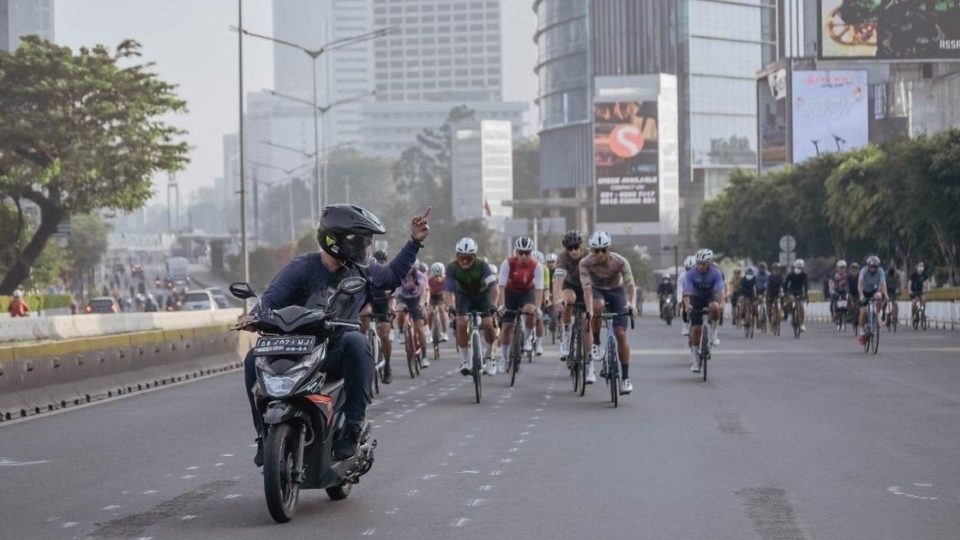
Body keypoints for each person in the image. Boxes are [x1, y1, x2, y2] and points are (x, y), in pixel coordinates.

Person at [238, 204, 431, 465]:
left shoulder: (363, 269)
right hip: (295, 350)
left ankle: (352, 428)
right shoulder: (301, 267)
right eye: (361, 241)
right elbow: (269, 301)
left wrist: (414, 242)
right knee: (253, 359)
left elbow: (391, 277)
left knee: (357, 341)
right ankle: (263, 436)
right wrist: (252, 316)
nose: (366, 248)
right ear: (338, 240)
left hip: (334, 351)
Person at [580, 231, 636, 394]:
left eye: (603, 250)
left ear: (608, 249)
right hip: (597, 290)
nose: (600, 254)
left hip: (616, 291)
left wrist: (632, 303)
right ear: (591, 251)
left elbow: (630, 284)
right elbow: (587, 289)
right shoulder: (585, 263)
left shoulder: (620, 262)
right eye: (595, 250)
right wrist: (589, 310)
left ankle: (625, 378)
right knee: (597, 306)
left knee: (620, 334)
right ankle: (596, 342)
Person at [444, 237, 499, 376]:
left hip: (482, 296)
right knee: (462, 322)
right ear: (457, 256)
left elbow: (494, 288)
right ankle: (465, 360)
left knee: (487, 323)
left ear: (474, 257)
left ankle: (490, 356)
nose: (465, 261)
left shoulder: (482, 265)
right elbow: (448, 292)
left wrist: (493, 305)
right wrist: (450, 307)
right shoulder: (451, 268)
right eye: (462, 258)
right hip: (464, 297)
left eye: (469, 258)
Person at [496, 237, 545, 373]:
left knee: (530, 311)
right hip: (510, 292)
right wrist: (502, 305)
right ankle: (504, 358)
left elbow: (539, 288)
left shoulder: (537, 266)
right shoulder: (508, 263)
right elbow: (501, 285)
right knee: (507, 328)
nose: (523, 256)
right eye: (520, 252)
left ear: (531, 253)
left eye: (527, 253)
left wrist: (539, 308)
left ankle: (528, 338)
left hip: (527, 292)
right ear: (516, 252)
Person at [682, 249, 724, 372]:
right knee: (695, 329)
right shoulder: (690, 274)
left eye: (703, 264)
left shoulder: (716, 273)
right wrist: (687, 306)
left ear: (709, 263)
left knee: (715, 307)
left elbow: (721, 291)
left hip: (711, 295)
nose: (700, 266)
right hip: (696, 297)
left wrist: (721, 304)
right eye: (698, 263)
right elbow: (686, 293)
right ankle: (695, 361)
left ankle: (713, 333)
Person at [361, 249, 396, 384]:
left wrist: (391, 309)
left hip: (383, 304)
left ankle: (387, 364)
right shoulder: (363, 278)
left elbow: (392, 298)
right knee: (362, 325)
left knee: (383, 332)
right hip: (369, 303)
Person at [553, 230, 587, 359]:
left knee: (587, 317)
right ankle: (566, 336)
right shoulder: (562, 258)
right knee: (569, 300)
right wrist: (558, 299)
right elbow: (558, 281)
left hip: (585, 287)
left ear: (581, 246)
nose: (573, 251)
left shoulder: (589, 255)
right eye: (570, 248)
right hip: (570, 286)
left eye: (576, 247)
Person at [394, 261, 431, 368]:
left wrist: (421, 304)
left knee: (419, 329)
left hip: (416, 299)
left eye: (410, 267)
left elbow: (424, 291)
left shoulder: (420, 275)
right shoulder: (399, 274)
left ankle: (424, 356)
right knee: (400, 312)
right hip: (403, 298)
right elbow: (396, 290)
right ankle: (401, 332)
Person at [857, 255, 888, 345]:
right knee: (863, 312)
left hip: (874, 291)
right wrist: (861, 295)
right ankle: (862, 332)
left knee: (879, 297)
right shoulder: (864, 271)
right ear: (868, 266)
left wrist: (886, 295)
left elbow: (883, 284)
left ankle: (876, 316)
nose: (873, 269)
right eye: (871, 266)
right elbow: (859, 284)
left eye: (875, 267)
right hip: (864, 292)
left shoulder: (880, 271)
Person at [784, 259, 809, 332]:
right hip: (791, 291)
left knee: (801, 306)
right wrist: (786, 293)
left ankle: (801, 323)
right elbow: (785, 284)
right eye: (798, 267)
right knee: (790, 303)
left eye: (800, 267)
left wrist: (806, 293)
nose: (799, 269)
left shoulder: (804, 275)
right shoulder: (790, 274)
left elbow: (806, 285)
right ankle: (790, 315)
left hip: (800, 292)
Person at [426, 262, 449, 343]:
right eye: (436, 276)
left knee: (441, 310)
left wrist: (447, 304)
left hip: (441, 297)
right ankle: (428, 332)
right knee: (429, 313)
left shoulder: (446, 279)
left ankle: (444, 332)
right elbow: (426, 290)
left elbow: (448, 292)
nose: (438, 277)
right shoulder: (429, 279)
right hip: (431, 297)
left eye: (440, 276)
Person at [532, 250, 549, 356]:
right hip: (527, 292)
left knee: (539, 318)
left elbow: (546, 286)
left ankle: (539, 344)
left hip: (539, 292)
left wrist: (547, 298)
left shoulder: (544, 269)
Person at [677, 255, 696, 336]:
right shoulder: (682, 276)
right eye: (688, 269)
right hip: (686, 295)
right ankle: (685, 324)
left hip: (697, 294)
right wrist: (679, 300)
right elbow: (680, 289)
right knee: (685, 307)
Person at [765, 262, 785, 331]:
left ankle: (782, 309)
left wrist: (782, 291)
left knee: (782, 297)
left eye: (777, 269)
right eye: (774, 269)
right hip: (771, 293)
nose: (776, 271)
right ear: (772, 270)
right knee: (769, 308)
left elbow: (783, 285)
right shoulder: (770, 277)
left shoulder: (781, 277)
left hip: (778, 293)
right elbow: (768, 285)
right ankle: (770, 320)